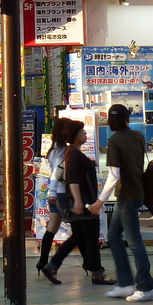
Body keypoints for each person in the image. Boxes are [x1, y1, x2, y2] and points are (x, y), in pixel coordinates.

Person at [90, 104, 153, 302]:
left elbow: (113, 175)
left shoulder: (114, 141)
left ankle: (146, 287)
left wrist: (99, 201)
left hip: (126, 196)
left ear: (109, 122)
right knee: (114, 236)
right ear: (128, 119)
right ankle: (126, 284)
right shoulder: (137, 136)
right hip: (135, 193)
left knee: (134, 242)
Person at [41, 119, 116, 286]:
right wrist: (78, 201)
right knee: (89, 236)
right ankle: (96, 273)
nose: (85, 134)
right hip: (82, 201)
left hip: (81, 200)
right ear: (75, 136)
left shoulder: (73, 153)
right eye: (82, 132)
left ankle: (54, 265)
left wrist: (90, 163)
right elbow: (73, 180)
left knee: (82, 236)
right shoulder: (72, 154)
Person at [34, 117, 71, 276]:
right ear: (63, 131)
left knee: (52, 228)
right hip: (60, 193)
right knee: (79, 230)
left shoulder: (56, 148)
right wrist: (53, 193)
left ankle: (43, 261)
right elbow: (56, 172)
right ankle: (92, 265)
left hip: (57, 193)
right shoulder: (59, 149)